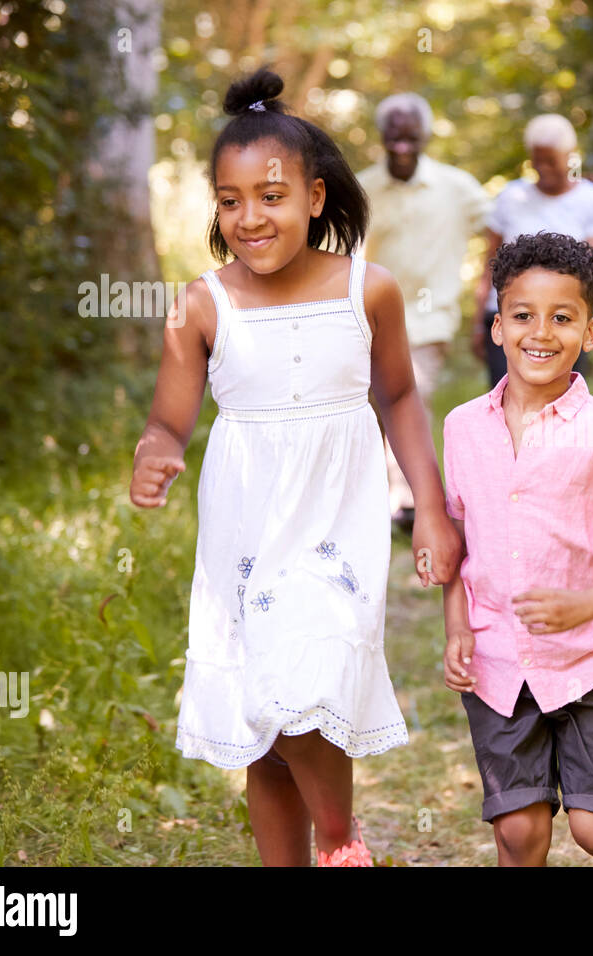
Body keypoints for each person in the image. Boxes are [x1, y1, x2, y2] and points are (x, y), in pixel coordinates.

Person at [129, 68, 460, 867]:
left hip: (336, 524)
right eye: (231, 200)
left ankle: (341, 841)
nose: (249, 217)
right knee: (263, 724)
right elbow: (170, 417)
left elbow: (402, 399)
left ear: (315, 197)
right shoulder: (203, 304)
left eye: (270, 196)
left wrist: (433, 507)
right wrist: (157, 451)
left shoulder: (367, 291)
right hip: (245, 530)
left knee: (309, 689)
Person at [442, 232, 593, 866]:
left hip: (590, 661)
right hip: (497, 662)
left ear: (591, 331)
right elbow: (458, 542)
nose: (541, 332)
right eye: (523, 315)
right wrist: (455, 628)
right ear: (498, 328)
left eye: (563, 317)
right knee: (520, 835)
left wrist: (586, 606)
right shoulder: (462, 428)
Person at [357, 92, 493, 533]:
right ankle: (379, 502)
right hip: (367, 323)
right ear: (382, 136)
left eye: (410, 132)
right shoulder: (361, 188)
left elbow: (502, 228)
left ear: (424, 137)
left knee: (410, 402)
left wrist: (489, 290)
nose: (401, 141)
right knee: (371, 412)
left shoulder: (456, 188)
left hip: (428, 322)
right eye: (393, 132)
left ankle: (411, 504)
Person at [472, 114, 593, 387]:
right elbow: (489, 264)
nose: (543, 168)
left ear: (570, 156)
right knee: (506, 401)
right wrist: (479, 322)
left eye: (551, 160)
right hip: (510, 314)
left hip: (564, 319)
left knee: (559, 404)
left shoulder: (592, 200)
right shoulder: (510, 197)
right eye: (537, 160)